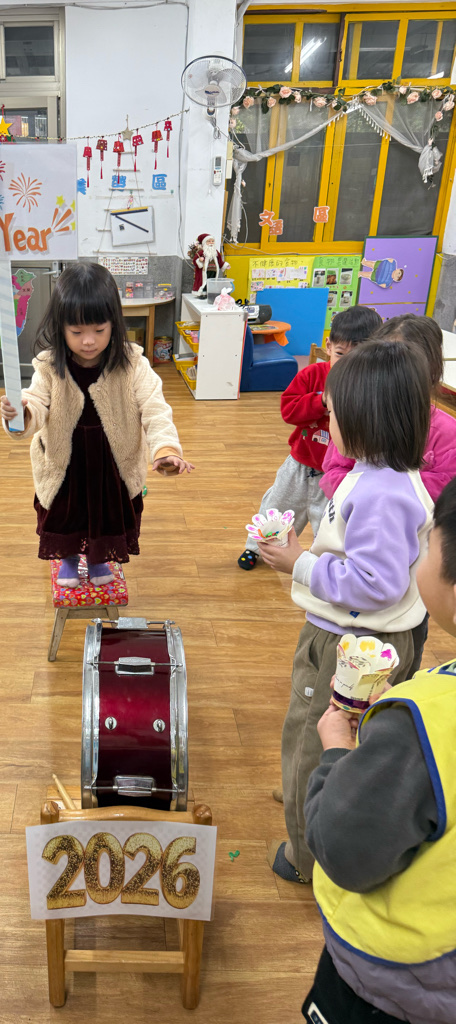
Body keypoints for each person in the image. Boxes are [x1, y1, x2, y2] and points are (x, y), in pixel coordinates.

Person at [258, 341, 434, 884]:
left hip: (347, 645)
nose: (326, 422)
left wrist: (300, 565)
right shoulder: (381, 474)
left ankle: (306, 855)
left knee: (310, 740)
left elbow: (374, 585)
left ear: (363, 418)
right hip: (364, 639)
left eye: (332, 413)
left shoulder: (381, 493)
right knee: (348, 738)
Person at [301, 475, 456, 1024]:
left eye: (427, 545)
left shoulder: (421, 723)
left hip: (396, 984)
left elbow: (343, 847)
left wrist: (337, 754)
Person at [0, 262, 193, 588]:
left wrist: (165, 449)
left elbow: (155, 409)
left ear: (114, 323)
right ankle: (69, 559)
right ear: (60, 327)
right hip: (66, 462)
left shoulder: (133, 363)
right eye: (76, 332)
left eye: (99, 330)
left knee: (107, 513)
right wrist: (20, 413)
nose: (88, 341)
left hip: (111, 463)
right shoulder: (49, 365)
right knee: (65, 513)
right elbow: (36, 403)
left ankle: (98, 558)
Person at [321, 314, 456, 675]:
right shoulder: (355, 424)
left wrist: (389, 487)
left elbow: (446, 493)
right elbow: (334, 470)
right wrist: (361, 492)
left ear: (429, 372)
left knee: (405, 641)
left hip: (414, 567)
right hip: (357, 555)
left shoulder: (444, 431)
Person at [238, 305, 382, 571]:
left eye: (357, 357)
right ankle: (256, 548)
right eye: (340, 354)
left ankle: (322, 565)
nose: (346, 364)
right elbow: (288, 411)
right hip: (300, 463)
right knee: (276, 507)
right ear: (328, 346)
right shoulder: (312, 375)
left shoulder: (372, 388)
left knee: (328, 522)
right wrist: (321, 400)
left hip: (340, 474)